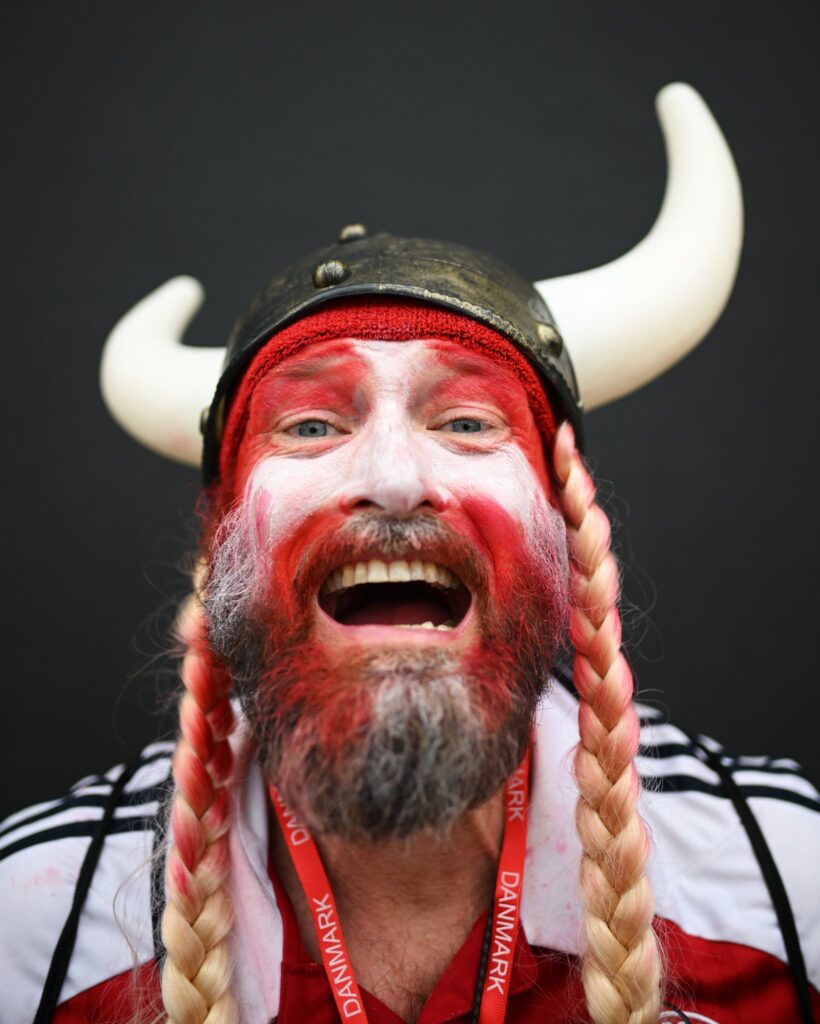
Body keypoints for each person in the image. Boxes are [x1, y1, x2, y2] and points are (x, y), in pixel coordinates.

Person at [1, 83, 818, 1024]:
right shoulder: (34, 927)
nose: (393, 477)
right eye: (309, 425)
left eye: (468, 419)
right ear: (224, 536)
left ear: (563, 520)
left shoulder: (787, 882)